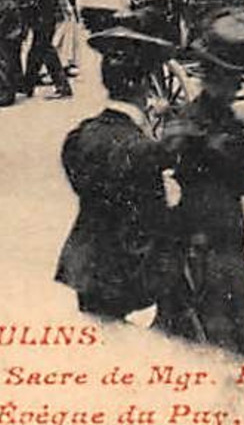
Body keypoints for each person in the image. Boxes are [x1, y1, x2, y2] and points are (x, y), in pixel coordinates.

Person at [153, 11, 244, 360]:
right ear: (211, 78)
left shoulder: (224, 119)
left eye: (235, 81)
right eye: (228, 81)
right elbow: (164, 168)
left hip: (228, 235)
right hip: (201, 243)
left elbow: (235, 177)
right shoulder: (189, 122)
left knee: (232, 330)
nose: (233, 89)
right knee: (219, 335)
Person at [54, 26, 180, 321]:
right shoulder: (142, 148)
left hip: (85, 263)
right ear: (146, 87)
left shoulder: (80, 135)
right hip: (127, 273)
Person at [20, 0, 74, 100]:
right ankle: (28, 84)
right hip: (49, 11)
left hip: (33, 11)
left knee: (43, 47)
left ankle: (62, 85)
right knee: (38, 47)